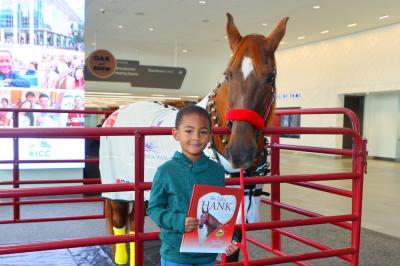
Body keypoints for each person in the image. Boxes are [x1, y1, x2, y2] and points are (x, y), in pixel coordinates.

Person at [147, 105, 239, 266]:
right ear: (176, 134)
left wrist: (228, 239)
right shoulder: (165, 172)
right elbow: (154, 208)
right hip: (176, 255)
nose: (196, 137)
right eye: (189, 131)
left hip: (206, 256)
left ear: (210, 136)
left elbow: (220, 211)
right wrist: (178, 221)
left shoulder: (217, 171)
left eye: (203, 132)